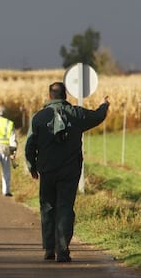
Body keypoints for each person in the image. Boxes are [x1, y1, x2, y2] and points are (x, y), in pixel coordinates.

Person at [25, 82, 109, 262]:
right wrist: (104, 105)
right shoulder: (77, 114)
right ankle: (62, 250)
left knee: (47, 207)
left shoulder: (38, 117)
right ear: (66, 96)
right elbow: (97, 116)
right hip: (70, 172)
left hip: (47, 170)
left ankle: (49, 248)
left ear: (49, 96)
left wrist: (32, 167)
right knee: (64, 208)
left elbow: (30, 145)